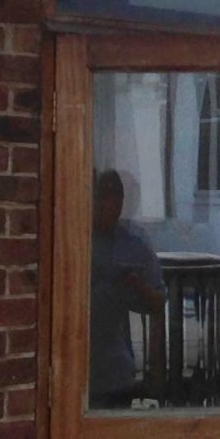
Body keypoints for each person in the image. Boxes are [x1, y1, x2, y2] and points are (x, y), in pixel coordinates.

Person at [88, 167, 165, 408]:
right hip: (73, 367)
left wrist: (135, 286)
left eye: (119, 201)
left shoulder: (133, 242)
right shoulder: (72, 236)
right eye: (103, 200)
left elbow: (157, 302)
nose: (111, 208)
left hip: (115, 371)